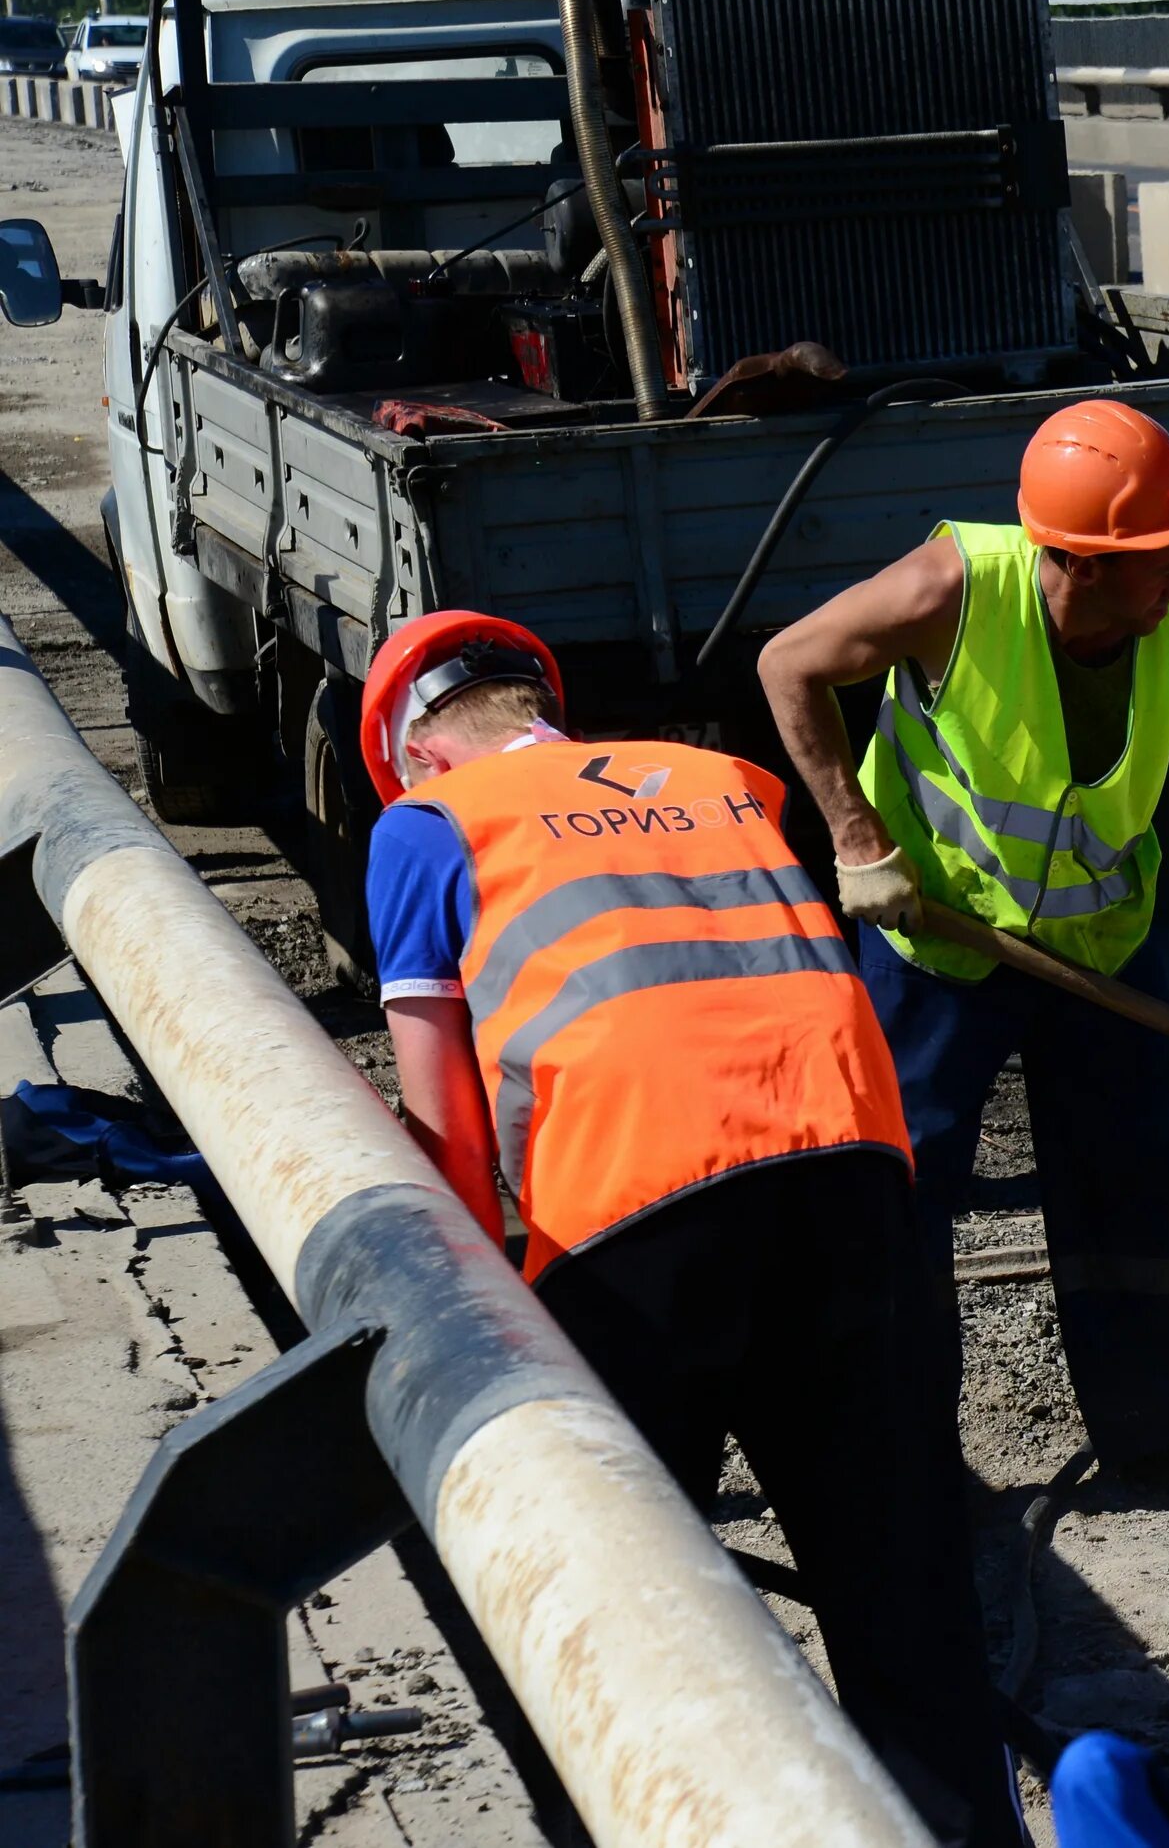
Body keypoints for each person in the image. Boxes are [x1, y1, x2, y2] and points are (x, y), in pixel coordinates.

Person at [359, 610, 1016, 1841]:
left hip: (631, 1224)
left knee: (626, 1607)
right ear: (536, 704)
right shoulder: (720, 782)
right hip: (853, 1176)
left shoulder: (427, 828)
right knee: (904, 1600)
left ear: (418, 751)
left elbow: (450, 1140)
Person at [758, 398, 1169, 1523]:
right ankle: (908, 1465)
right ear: (1078, 561)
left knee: (1132, 1199)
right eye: (1157, 561)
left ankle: (1161, 1446)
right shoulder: (952, 589)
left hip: (1099, 959)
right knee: (903, 1202)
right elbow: (788, 666)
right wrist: (856, 840)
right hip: (936, 946)